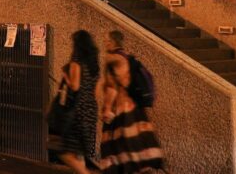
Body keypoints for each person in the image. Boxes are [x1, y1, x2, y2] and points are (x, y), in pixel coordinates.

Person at [99, 30, 164, 173]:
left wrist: (107, 109)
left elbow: (112, 88)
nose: (104, 43)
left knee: (119, 146)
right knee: (138, 144)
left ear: (112, 41)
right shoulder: (127, 58)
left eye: (106, 40)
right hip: (134, 108)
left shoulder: (112, 59)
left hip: (121, 109)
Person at [55, 29, 100, 174]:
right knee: (80, 150)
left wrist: (65, 75)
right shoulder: (94, 63)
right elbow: (96, 88)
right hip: (91, 108)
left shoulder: (77, 62)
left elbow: (74, 86)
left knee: (66, 151)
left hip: (78, 109)